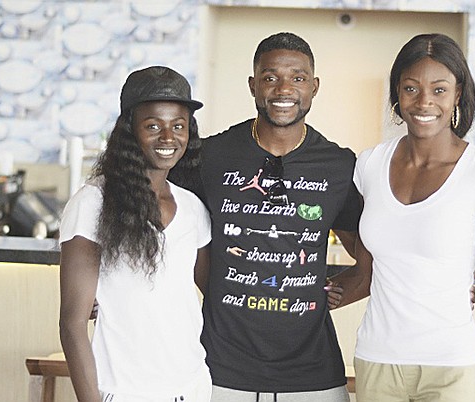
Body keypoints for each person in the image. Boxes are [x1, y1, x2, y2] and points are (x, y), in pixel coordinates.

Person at [169, 32, 361, 402]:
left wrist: (439, 286)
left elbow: (372, 258)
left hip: (313, 374)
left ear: (314, 87)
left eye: (298, 78)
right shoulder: (209, 157)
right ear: (253, 85)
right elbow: (161, 224)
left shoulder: (339, 166)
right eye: (271, 77)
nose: (283, 89)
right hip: (219, 368)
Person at [331, 33, 475, 402]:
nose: (424, 102)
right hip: (377, 361)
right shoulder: (369, 166)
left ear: (457, 95)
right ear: (397, 94)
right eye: (411, 88)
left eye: (439, 89)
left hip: (452, 368)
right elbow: (364, 266)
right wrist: (299, 292)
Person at [59, 66, 212, 402]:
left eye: (179, 126)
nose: (168, 138)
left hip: (193, 388)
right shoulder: (93, 203)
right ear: (130, 130)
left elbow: (213, 294)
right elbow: (72, 324)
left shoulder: (193, 208)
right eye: (153, 126)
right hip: (125, 391)